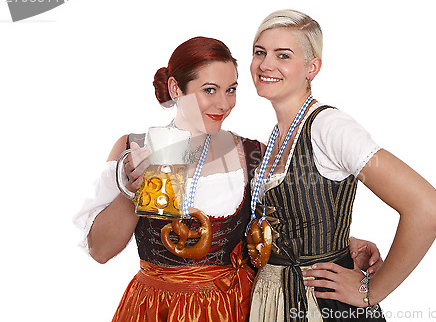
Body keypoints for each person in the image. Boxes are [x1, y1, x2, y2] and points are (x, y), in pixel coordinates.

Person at [73, 36, 382, 322]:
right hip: (156, 308)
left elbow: (276, 229)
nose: (223, 104)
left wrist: (345, 245)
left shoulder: (253, 154)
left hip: (233, 305)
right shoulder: (134, 148)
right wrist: (134, 191)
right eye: (210, 90)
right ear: (175, 88)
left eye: (231, 89)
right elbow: (100, 251)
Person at [247, 10, 436, 322]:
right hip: (274, 302)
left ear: (312, 67)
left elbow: (428, 209)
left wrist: (372, 291)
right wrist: (336, 240)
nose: (265, 65)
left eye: (282, 55)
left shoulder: (330, 127)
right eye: (259, 52)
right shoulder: (275, 136)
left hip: (321, 307)